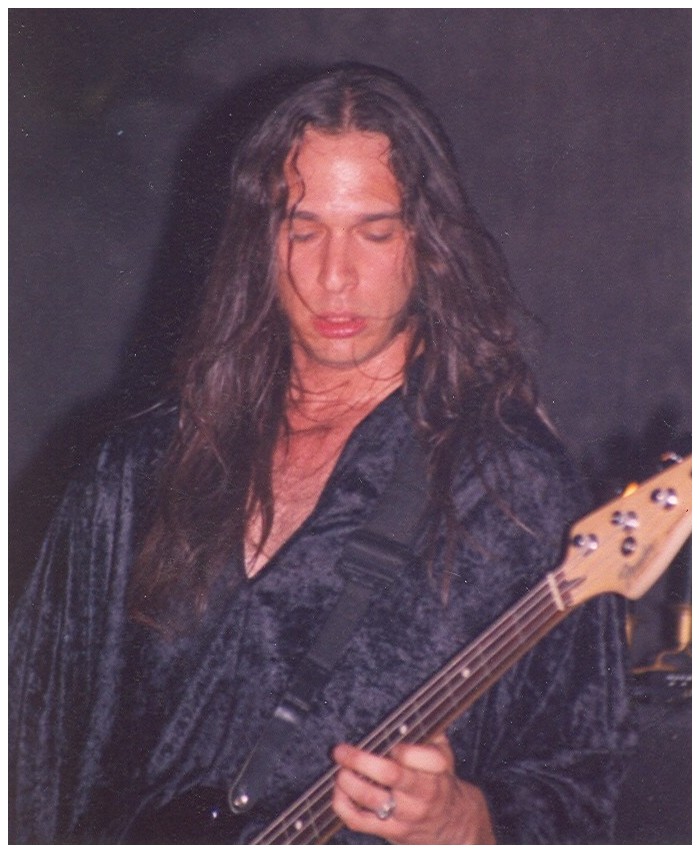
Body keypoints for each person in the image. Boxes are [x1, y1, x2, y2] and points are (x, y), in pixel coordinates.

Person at [9, 63, 634, 844]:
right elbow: (31, 743)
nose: (336, 277)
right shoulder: (137, 468)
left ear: (426, 242)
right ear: (259, 244)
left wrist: (470, 820)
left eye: (375, 232)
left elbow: (585, 783)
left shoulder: (512, 486)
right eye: (302, 231)